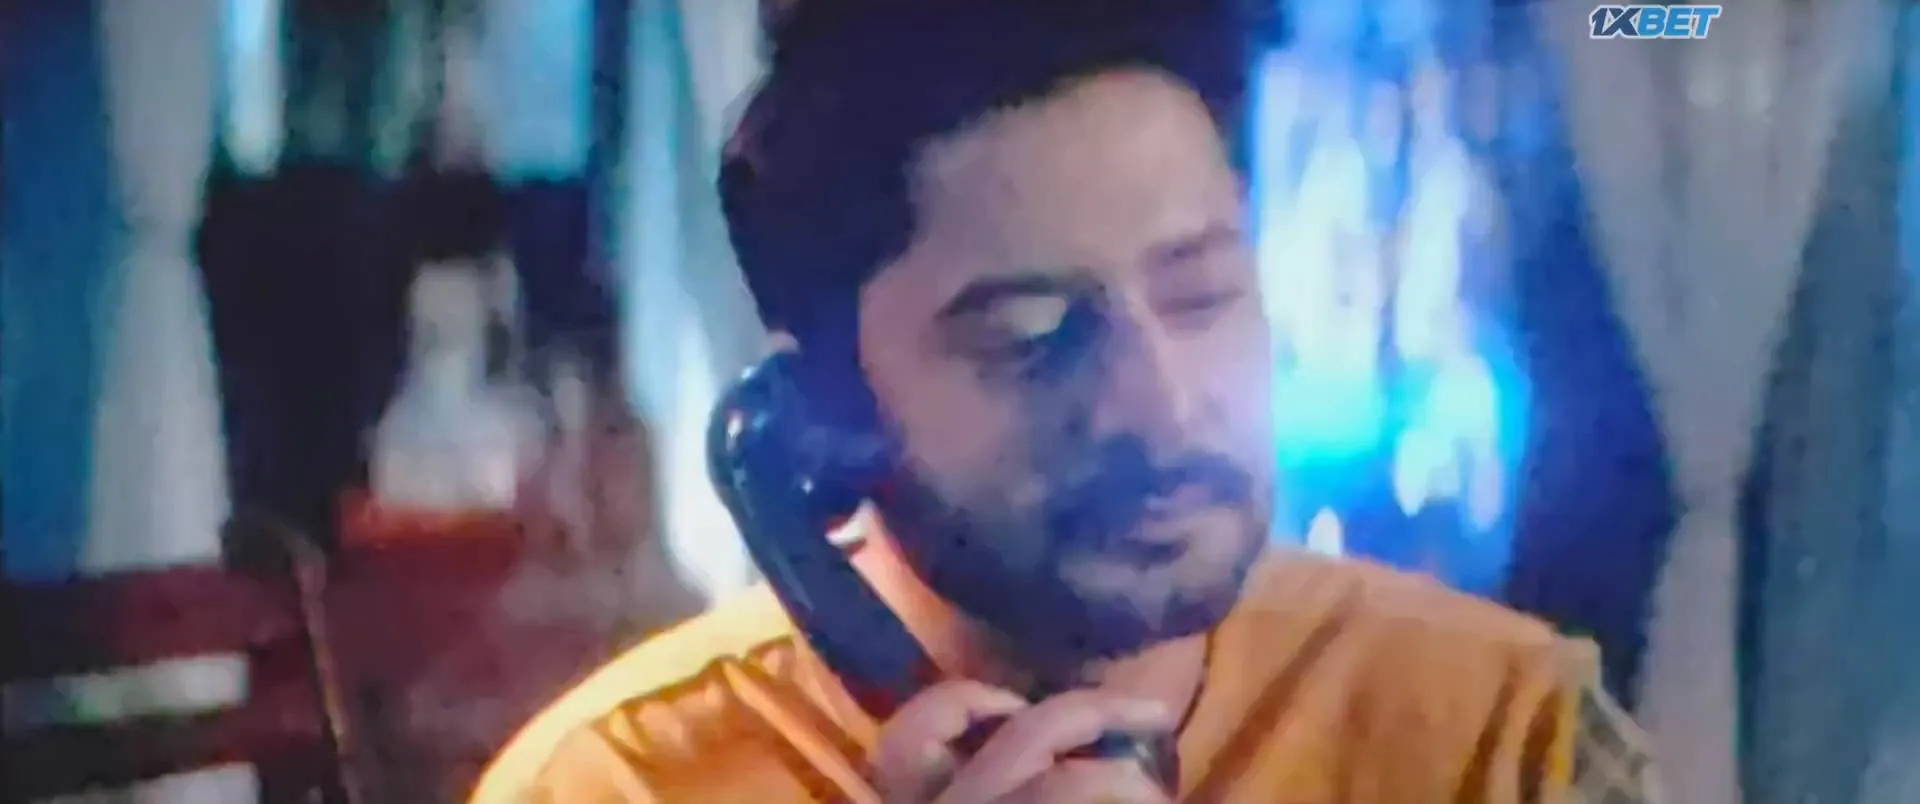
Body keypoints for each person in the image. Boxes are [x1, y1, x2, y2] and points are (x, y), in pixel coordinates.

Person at [472, 1, 1662, 801]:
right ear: (823, 399)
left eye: (1202, 297)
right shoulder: (614, 784)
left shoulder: (1506, 737)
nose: (1162, 406)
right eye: (1029, 341)